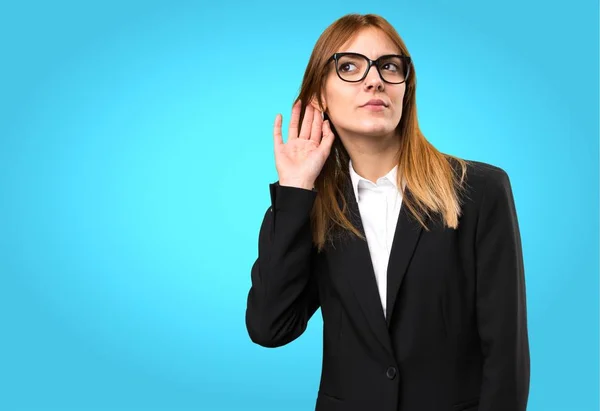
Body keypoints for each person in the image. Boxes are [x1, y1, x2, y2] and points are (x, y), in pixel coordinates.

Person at [245, 13, 530, 411]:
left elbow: (506, 355)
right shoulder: (311, 205)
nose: (374, 79)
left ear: (405, 89)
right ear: (320, 96)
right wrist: (295, 190)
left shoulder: (480, 190)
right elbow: (269, 328)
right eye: (349, 66)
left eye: (389, 66)